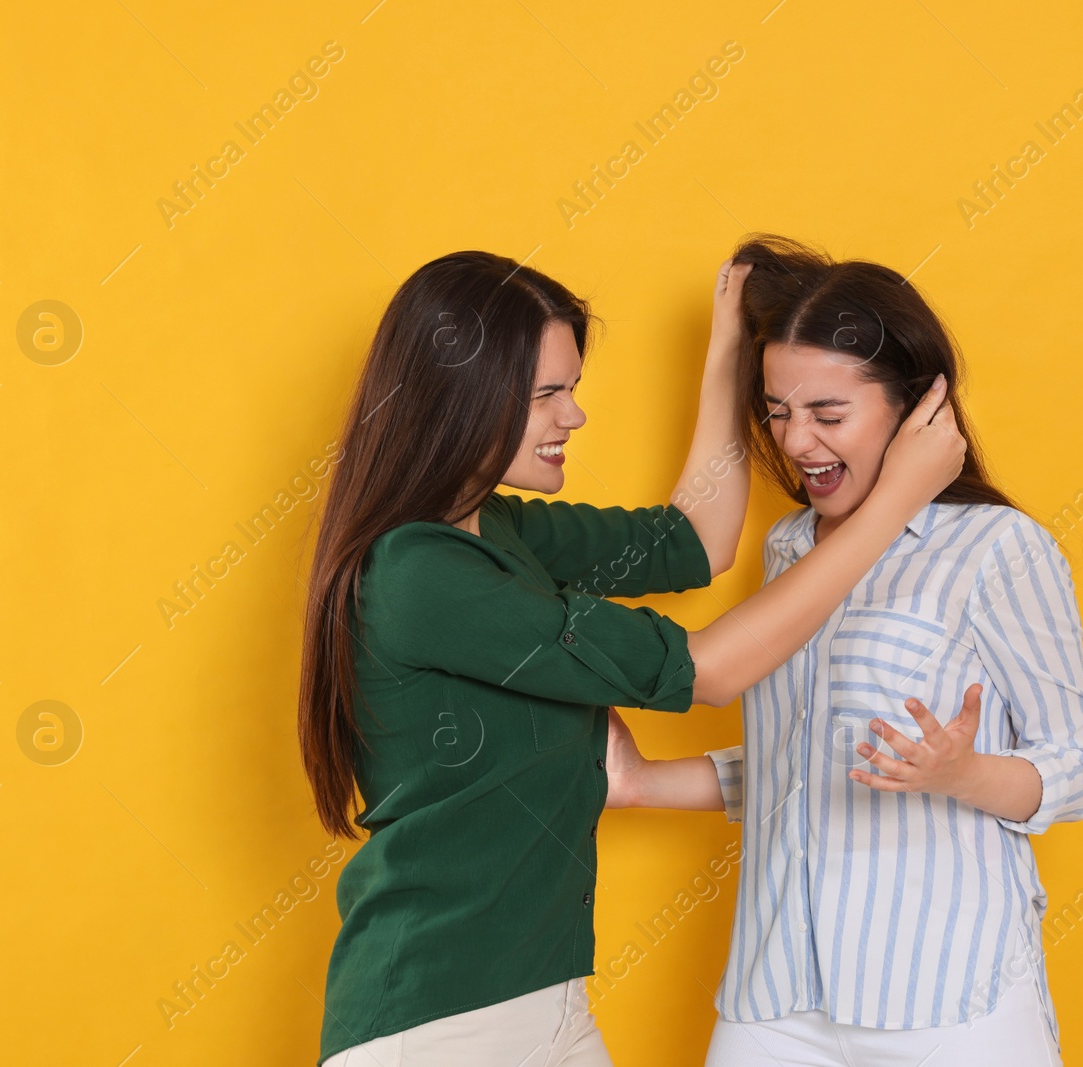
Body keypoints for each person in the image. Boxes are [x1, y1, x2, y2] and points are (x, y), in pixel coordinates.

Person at [298, 248, 968, 1066]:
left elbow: (696, 539)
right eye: (548, 394)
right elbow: (709, 669)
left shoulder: (494, 530)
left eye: (569, 390)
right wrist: (898, 498)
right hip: (436, 1022)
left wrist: (729, 352)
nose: (572, 416)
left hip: (543, 1005)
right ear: (460, 396)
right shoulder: (421, 574)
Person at [605, 234, 1083, 1067]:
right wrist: (642, 783)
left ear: (914, 407)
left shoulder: (995, 547)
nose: (798, 443)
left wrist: (960, 772)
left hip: (950, 996)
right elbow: (800, 757)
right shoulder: (790, 546)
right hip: (777, 989)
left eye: (828, 414)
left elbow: (1076, 768)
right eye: (778, 410)